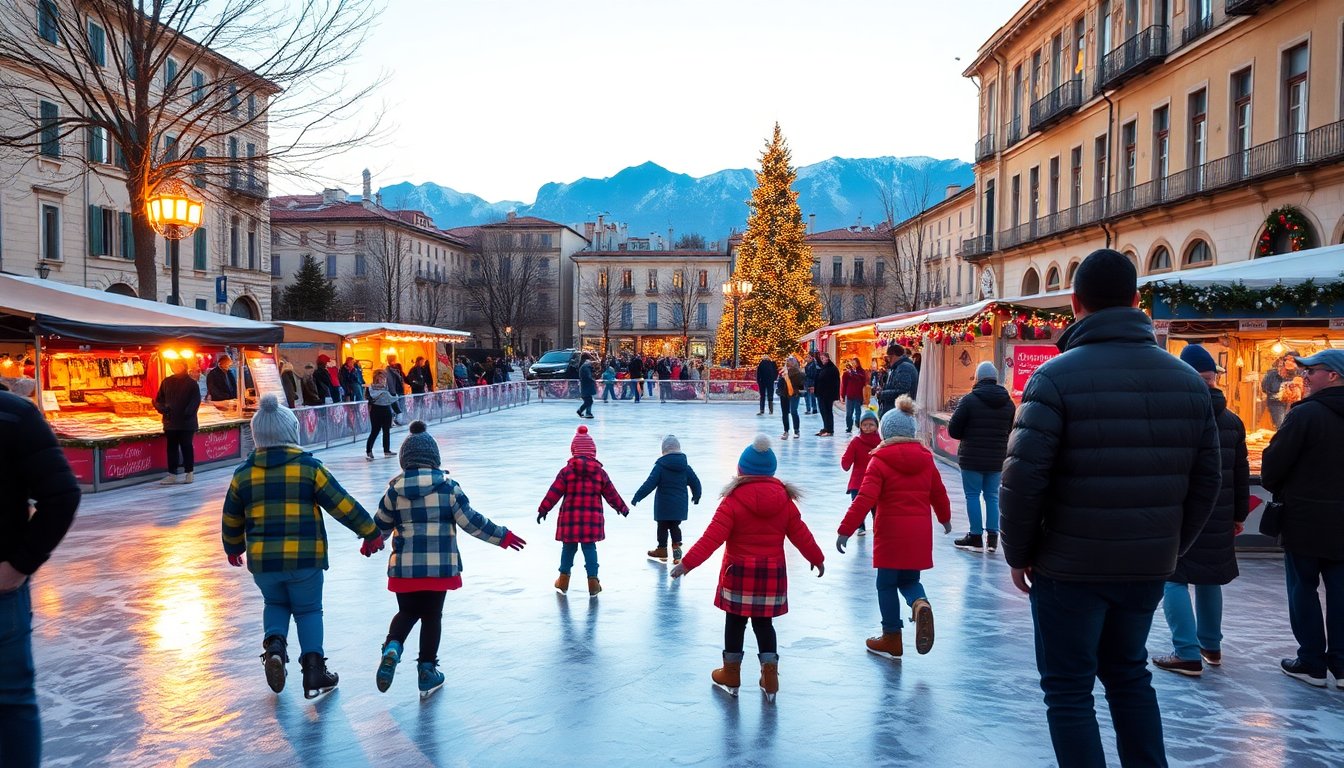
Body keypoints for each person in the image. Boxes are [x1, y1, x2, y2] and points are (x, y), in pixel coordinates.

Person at [999, 248, 1221, 768]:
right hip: (1145, 565)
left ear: (1075, 304)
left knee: (1069, 688)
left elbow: (1023, 478)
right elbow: (1206, 483)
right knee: (1128, 673)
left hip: (1067, 567)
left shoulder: (1055, 378)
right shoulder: (1188, 382)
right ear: (1136, 300)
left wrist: (1019, 552)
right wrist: (1168, 547)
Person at [221, 394, 384, 699]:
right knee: (308, 611)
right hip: (305, 559)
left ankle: (275, 647)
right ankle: (314, 670)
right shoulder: (308, 468)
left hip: (264, 562)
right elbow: (341, 503)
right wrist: (369, 530)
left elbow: (231, 515)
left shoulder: (243, 474)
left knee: (275, 604)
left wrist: (233, 546)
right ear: (291, 433)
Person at [372, 421, 526, 698]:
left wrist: (371, 542)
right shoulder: (448, 488)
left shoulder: (394, 491)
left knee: (407, 612)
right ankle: (427, 671)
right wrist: (501, 536)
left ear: (405, 461)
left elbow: (380, 525)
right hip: (439, 567)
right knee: (432, 615)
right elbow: (471, 521)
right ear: (435, 459)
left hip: (404, 569)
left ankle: (393, 646)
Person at [670, 434, 824, 702]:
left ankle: (731, 673)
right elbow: (801, 533)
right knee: (765, 625)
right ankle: (770, 676)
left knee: (735, 623)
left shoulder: (732, 500)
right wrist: (816, 557)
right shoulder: (784, 501)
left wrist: (687, 563)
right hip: (770, 576)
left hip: (738, 574)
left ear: (741, 470)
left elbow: (712, 538)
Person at [1152, 345, 1250, 677]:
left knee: (1173, 578)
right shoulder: (1233, 421)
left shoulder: (1175, 416)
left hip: (1181, 513)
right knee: (1211, 579)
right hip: (1219, 514)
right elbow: (1240, 473)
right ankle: (1211, 645)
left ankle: (1186, 651)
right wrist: (1238, 515)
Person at [837, 396, 952, 659]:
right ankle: (919, 603)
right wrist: (945, 519)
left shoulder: (879, 460)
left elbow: (864, 499)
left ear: (885, 432)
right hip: (919, 534)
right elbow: (939, 493)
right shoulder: (926, 458)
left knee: (886, 585)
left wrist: (846, 529)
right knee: (911, 580)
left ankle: (891, 637)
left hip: (890, 534)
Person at [0, 391, 80, 768]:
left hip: (1, 592)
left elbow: (62, 495)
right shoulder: (14, 414)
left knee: (11, 701)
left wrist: (18, 565)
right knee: (11, 702)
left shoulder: (12, 415)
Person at [1261, 348, 1344, 688]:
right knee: (1341, 591)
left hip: (1305, 518)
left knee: (1303, 588)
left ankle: (1311, 661)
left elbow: (1273, 466)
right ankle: (1341, 665)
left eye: (1313, 371)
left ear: (1334, 376)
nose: (1305, 376)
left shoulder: (1305, 415)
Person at [537, 425, 628, 596]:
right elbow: (611, 492)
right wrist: (621, 508)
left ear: (573, 450)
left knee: (568, 548)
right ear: (593, 451)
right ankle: (593, 581)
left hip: (570, 520)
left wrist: (544, 509)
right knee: (589, 548)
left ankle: (563, 579)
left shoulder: (567, 472)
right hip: (591, 521)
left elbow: (554, 492)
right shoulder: (600, 473)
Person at [947, 361, 1015, 553]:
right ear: (995, 378)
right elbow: (1010, 429)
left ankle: (975, 537)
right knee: (992, 496)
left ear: (977, 378)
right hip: (997, 458)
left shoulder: (969, 400)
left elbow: (954, 430)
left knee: (972, 495)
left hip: (972, 457)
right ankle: (993, 539)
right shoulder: (1008, 404)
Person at [631, 434, 702, 565]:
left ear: (663, 450)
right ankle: (677, 550)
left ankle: (662, 549)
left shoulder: (660, 466)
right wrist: (696, 495)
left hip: (663, 506)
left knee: (662, 527)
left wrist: (638, 496)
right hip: (679, 505)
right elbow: (695, 482)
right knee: (675, 526)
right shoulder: (685, 467)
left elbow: (650, 483)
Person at [155, 359, 202, 485]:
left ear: (184, 366)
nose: (176, 367)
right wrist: (162, 408)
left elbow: (195, 401)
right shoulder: (167, 382)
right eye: (174, 365)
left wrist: (187, 413)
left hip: (186, 423)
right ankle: (172, 474)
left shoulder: (192, 384)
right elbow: (159, 399)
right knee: (172, 448)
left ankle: (189, 473)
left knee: (187, 447)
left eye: (179, 365)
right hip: (171, 422)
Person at [840, 409, 881, 536]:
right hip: (866, 482)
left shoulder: (880, 443)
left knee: (870, 507)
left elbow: (845, 463)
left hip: (866, 482)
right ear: (860, 426)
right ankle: (862, 526)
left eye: (871, 425)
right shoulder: (857, 442)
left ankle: (873, 526)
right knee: (861, 507)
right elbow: (846, 462)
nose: (868, 428)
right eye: (865, 425)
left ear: (876, 426)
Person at [365, 370, 400, 461]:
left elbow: (393, 398)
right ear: (375, 378)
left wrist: (397, 410)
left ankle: (387, 450)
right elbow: (369, 399)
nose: (381, 380)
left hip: (386, 409)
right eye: (379, 378)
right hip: (376, 410)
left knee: (386, 430)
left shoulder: (387, 387)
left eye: (383, 378)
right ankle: (369, 450)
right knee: (375, 431)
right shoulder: (370, 388)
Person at [878, 345, 918, 416]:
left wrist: (882, 394)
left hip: (899, 412)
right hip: (897, 410)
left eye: (889, 357)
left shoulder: (904, 367)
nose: (888, 360)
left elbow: (902, 392)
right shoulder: (900, 366)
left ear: (893, 356)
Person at [776, 356, 805, 440]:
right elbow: (779, 383)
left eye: (790, 363)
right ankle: (786, 431)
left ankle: (796, 431)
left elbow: (801, 385)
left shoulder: (798, 373)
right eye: (787, 363)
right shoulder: (783, 372)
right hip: (784, 394)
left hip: (794, 394)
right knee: (785, 413)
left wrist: (799, 390)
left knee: (793, 411)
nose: (789, 364)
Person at [813, 352, 840, 437]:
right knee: (823, 412)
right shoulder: (824, 367)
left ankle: (830, 429)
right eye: (821, 358)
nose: (822, 360)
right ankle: (826, 428)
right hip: (822, 394)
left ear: (827, 358)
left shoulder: (832, 368)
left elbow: (835, 383)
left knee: (828, 412)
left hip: (828, 395)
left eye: (823, 358)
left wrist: (836, 395)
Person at [841, 358, 867, 434]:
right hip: (849, 395)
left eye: (855, 363)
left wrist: (855, 374)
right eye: (852, 363)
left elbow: (864, 381)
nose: (853, 364)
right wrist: (842, 395)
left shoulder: (861, 372)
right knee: (849, 412)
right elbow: (844, 385)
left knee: (858, 412)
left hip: (858, 395)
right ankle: (849, 427)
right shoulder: (847, 373)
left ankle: (858, 424)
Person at [577, 354, 597, 418]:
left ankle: (584, 411)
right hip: (587, 386)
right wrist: (593, 380)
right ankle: (586, 412)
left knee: (588, 400)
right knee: (588, 400)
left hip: (585, 386)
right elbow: (588, 377)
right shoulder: (586, 367)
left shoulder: (585, 366)